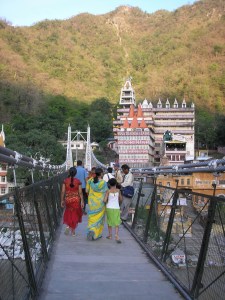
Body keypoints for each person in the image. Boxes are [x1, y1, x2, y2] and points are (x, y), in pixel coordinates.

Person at [86, 167, 108, 240]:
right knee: (100, 218)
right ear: (101, 174)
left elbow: (86, 190)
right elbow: (106, 192)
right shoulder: (103, 183)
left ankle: (91, 229)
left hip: (92, 202)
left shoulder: (90, 181)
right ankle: (97, 234)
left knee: (92, 217)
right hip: (100, 203)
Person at [61, 167, 84, 236]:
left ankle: (68, 226)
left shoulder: (65, 181)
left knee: (69, 213)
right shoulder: (78, 181)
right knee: (75, 214)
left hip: (68, 200)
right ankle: (73, 232)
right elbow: (80, 192)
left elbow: (63, 191)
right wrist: (82, 201)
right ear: (75, 173)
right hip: (76, 200)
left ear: (69, 172)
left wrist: (62, 200)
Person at [103, 178, 122, 243]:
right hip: (116, 207)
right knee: (117, 221)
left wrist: (105, 200)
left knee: (109, 221)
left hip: (109, 207)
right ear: (116, 183)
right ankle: (116, 235)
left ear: (109, 184)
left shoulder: (108, 191)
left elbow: (105, 200)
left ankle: (110, 235)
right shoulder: (118, 191)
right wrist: (118, 203)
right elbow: (121, 199)